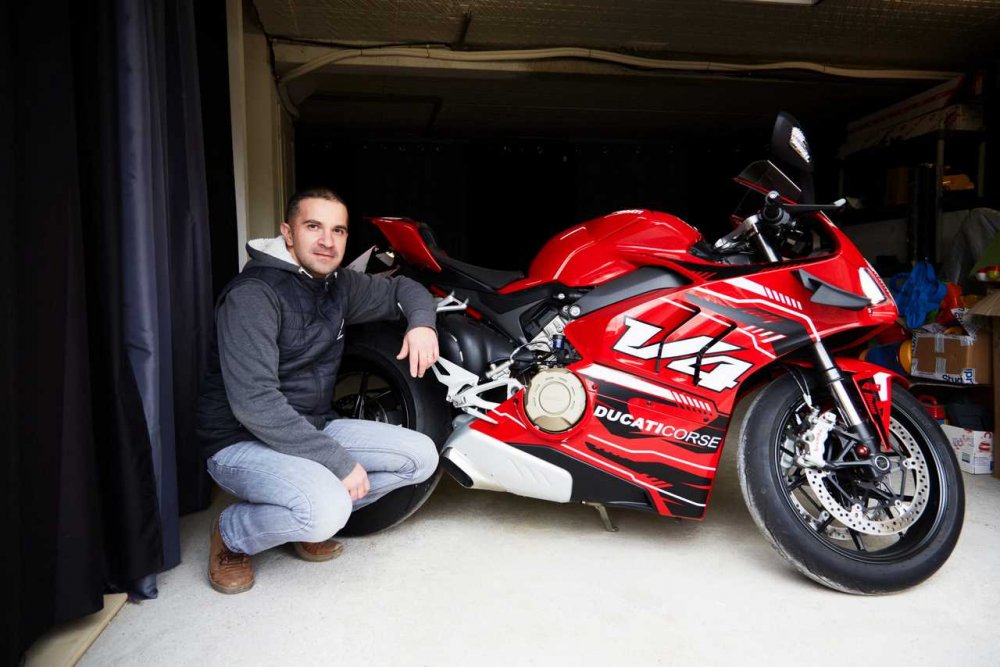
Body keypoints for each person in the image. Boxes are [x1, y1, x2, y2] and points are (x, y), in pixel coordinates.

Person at [196, 187, 440, 594]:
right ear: (288, 233)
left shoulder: (337, 285)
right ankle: (232, 533)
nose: (327, 241)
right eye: (314, 226)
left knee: (420, 458)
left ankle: (301, 512)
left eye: (338, 230)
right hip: (239, 441)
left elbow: (405, 289)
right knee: (327, 508)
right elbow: (254, 405)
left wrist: (421, 323)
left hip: (310, 426)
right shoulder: (253, 295)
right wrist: (339, 463)